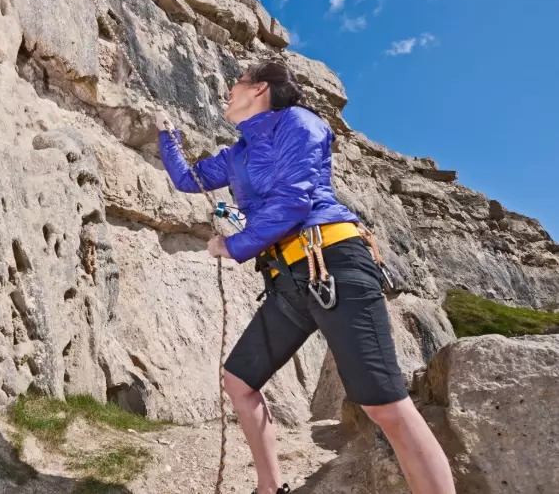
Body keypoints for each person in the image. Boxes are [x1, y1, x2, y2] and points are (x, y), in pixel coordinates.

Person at [156, 60, 455, 494]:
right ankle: (269, 487)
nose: (227, 92)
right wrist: (168, 136)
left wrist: (234, 245)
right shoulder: (238, 152)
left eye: (234, 83)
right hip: (289, 280)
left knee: (384, 405)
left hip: (333, 261)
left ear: (260, 89)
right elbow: (188, 179)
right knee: (238, 381)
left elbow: (295, 201)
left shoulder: (299, 123)